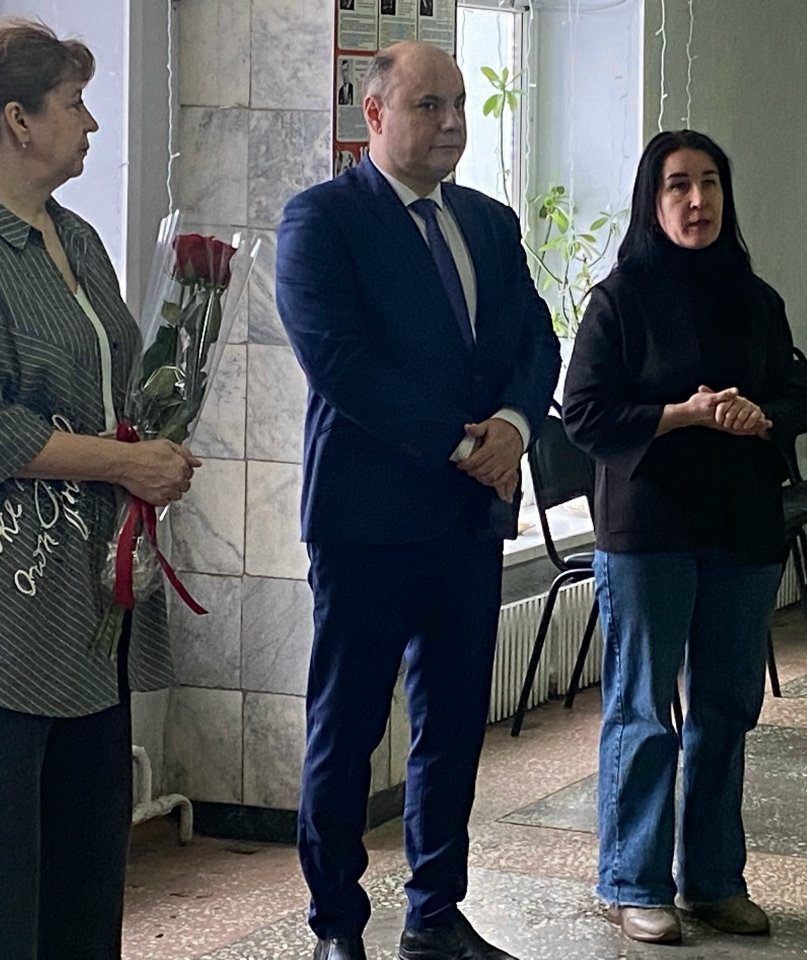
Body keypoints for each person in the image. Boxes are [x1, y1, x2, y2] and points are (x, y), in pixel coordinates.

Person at [276, 40, 560, 960]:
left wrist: (514, 425)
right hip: (367, 522)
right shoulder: (324, 219)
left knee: (453, 729)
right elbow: (340, 363)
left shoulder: (488, 222)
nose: (451, 123)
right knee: (348, 729)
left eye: (459, 105)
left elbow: (537, 338)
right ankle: (337, 925)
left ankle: (435, 914)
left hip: (468, 521)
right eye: (429, 105)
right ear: (374, 114)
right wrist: (461, 444)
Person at [0, 19, 200, 960]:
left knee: (87, 870)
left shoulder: (78, 237)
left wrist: (154, 440)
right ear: (17, 120)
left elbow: (117, 387)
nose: (92, 123)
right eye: (74, 103)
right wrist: (121, 463)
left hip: (88, 601)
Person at [562, 129, 807, 945]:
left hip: (742, 529)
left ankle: (713, 881)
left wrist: (759, 415)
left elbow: (800, 397)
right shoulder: (619, 301)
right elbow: (585, 415)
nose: (697, 201)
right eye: (678, 185)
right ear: (652, 201)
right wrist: (682, 414)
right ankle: (633, 881)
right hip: (651, 532)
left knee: (725, 711)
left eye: (710, 184)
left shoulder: (756, 298)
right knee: (644, 710)